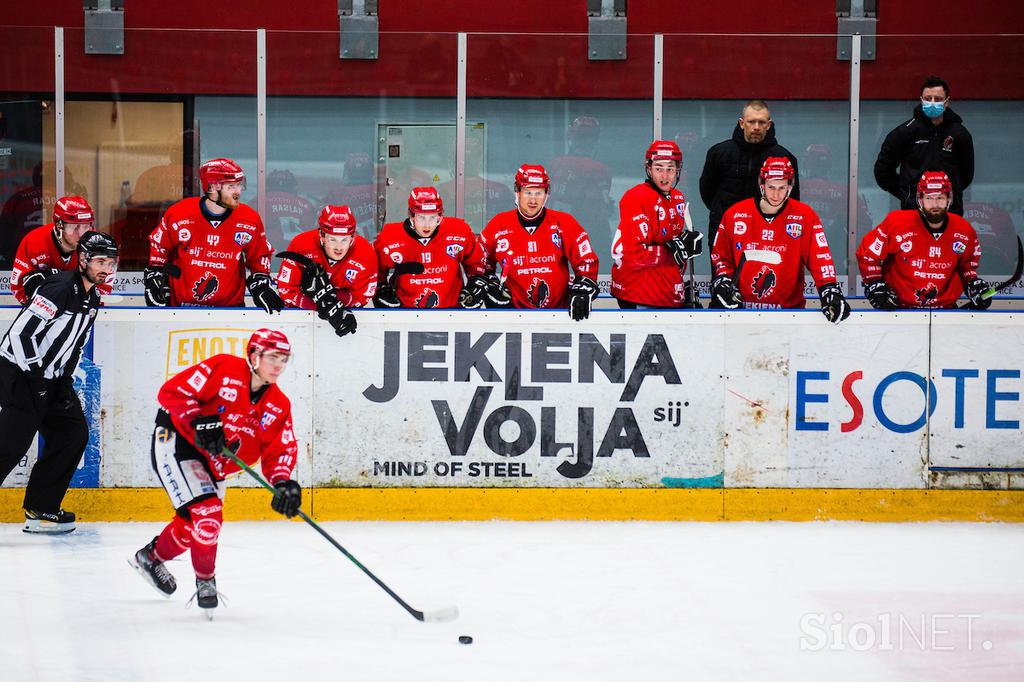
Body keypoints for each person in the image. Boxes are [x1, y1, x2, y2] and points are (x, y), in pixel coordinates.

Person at [129, 328, 301, 617]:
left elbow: (280, 449)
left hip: (213, 460)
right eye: (273, 357)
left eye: (284, 359)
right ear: (254, 355)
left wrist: (283, 482)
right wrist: (197, 421)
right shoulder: (223, 368)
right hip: (176, 439)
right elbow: (172, 392)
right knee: (208, 516)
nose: (279, 366)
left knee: (190, 527)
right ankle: (205, 582)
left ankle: (150, 557)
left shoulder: (278, 404)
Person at [0, 231, 118, 533]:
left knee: (73, 433)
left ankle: (41, 508)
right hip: (19, 372)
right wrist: (37, 378)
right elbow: (20, 335)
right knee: (11, 445)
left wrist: (63, 383)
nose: (106, 268)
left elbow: (75, 344)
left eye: (111, 262)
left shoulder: (92, 297)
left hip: (49, 379)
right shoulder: (60, 289)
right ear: (83, 261)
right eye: (100, 261)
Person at [710, 157, 850, 323]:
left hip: (789, 315)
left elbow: (820, 258)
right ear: (762, 184)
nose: (776, 195)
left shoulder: (804, 216)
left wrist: (829, 288)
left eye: (782, 187)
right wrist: (723, 280)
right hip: (741, 314)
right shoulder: (735, 214)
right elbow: (721, 256)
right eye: (771, 187)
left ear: (790, 186)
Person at [144, 157, 283, 313]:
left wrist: (260, 283)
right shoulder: (179, 214)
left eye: (239, 185)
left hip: (230, 313)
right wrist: (154, 277)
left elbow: (259, 255)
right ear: (212, 187)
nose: (238, 191)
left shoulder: (249, 219)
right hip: (180, 311)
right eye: (231, 186)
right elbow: (159, 246)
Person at [477, 164, 600, 320]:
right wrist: (490, 284)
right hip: (512, 316)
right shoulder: (498, 224)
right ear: (517, 192)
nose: (533, 199)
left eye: (539, 193)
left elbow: (586, 259)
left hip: (559, 316)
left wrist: (583, 288)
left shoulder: (564, 223)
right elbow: (480, 262)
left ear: (547, 194)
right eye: (527, 192)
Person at [857, 171, 989, 310]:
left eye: (940, 198)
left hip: (946, 312)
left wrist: (972, 284)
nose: (935, 204)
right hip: (898, 310)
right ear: (920, 199)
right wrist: (874, 282)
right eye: (929, 198)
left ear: (949, 199)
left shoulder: (964, 230)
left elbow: (966, 266)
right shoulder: (897, 223)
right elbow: (868, 254)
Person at [610, 140, 702, 309]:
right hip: (638, 292)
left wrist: (687, 243)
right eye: (659, 168)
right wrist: (675, 249)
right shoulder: (635, 197)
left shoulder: (678, 197)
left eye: (670, 169)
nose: (665, 176)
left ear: (678, 171)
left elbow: (671, 241)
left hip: (667, 291)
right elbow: (635, 255)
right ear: (649, 169)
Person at [699, 100, 800, 249]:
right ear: (741, 123)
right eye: (751, 122)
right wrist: (722, 212)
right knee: (723, 273)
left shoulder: (784, 158)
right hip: (724, 229)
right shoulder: (718, 153)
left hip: (767, 231)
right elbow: (707, 191)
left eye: (761, 122)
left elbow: (792, 200)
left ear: (769, 124)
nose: (756, 127)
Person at [874, 75, 974, 217]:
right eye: (928, 99)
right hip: (913, 213)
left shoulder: (959, 134)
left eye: (938, 99)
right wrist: (908, 194)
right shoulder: (904, 133)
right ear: (921, 100)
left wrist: (945, 196)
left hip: (950, 213)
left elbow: (966, 175)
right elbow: (882, 172)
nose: (932, 103)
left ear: (946, 102)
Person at [372, 187, 487, 309]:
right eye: (421, 217)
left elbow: (476, 263)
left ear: (440, 215)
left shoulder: (459, 230)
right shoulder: (389, 236)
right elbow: (375, 269)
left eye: (433, 217)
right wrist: (381, 287)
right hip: (405, 314)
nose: (427, 225)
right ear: (411, 215)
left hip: (453, 312)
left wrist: (475, 282)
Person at [276, 205, 372, 337]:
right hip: (298, 325)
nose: (339, 247)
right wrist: (327, 305)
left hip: (342, 332)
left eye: (344, 240)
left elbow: (362, 297)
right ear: (322, 236)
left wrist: (326, 300)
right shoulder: (301, 245)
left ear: (352, 238)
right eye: (332, 239)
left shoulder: (366, 253)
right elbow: (286, 291)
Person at [10, 196, 101, 305]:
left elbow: (104, 287)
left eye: (85, 226)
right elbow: (18, 288)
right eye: (74, 227)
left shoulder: (98, 244)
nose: (81, 234)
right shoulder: (33, 242)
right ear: (59, 225)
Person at [263, 169, 316, 251]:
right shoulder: (307, 205)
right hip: (299, 252)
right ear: (294, 188)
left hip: (271, 252)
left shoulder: (260, 201)